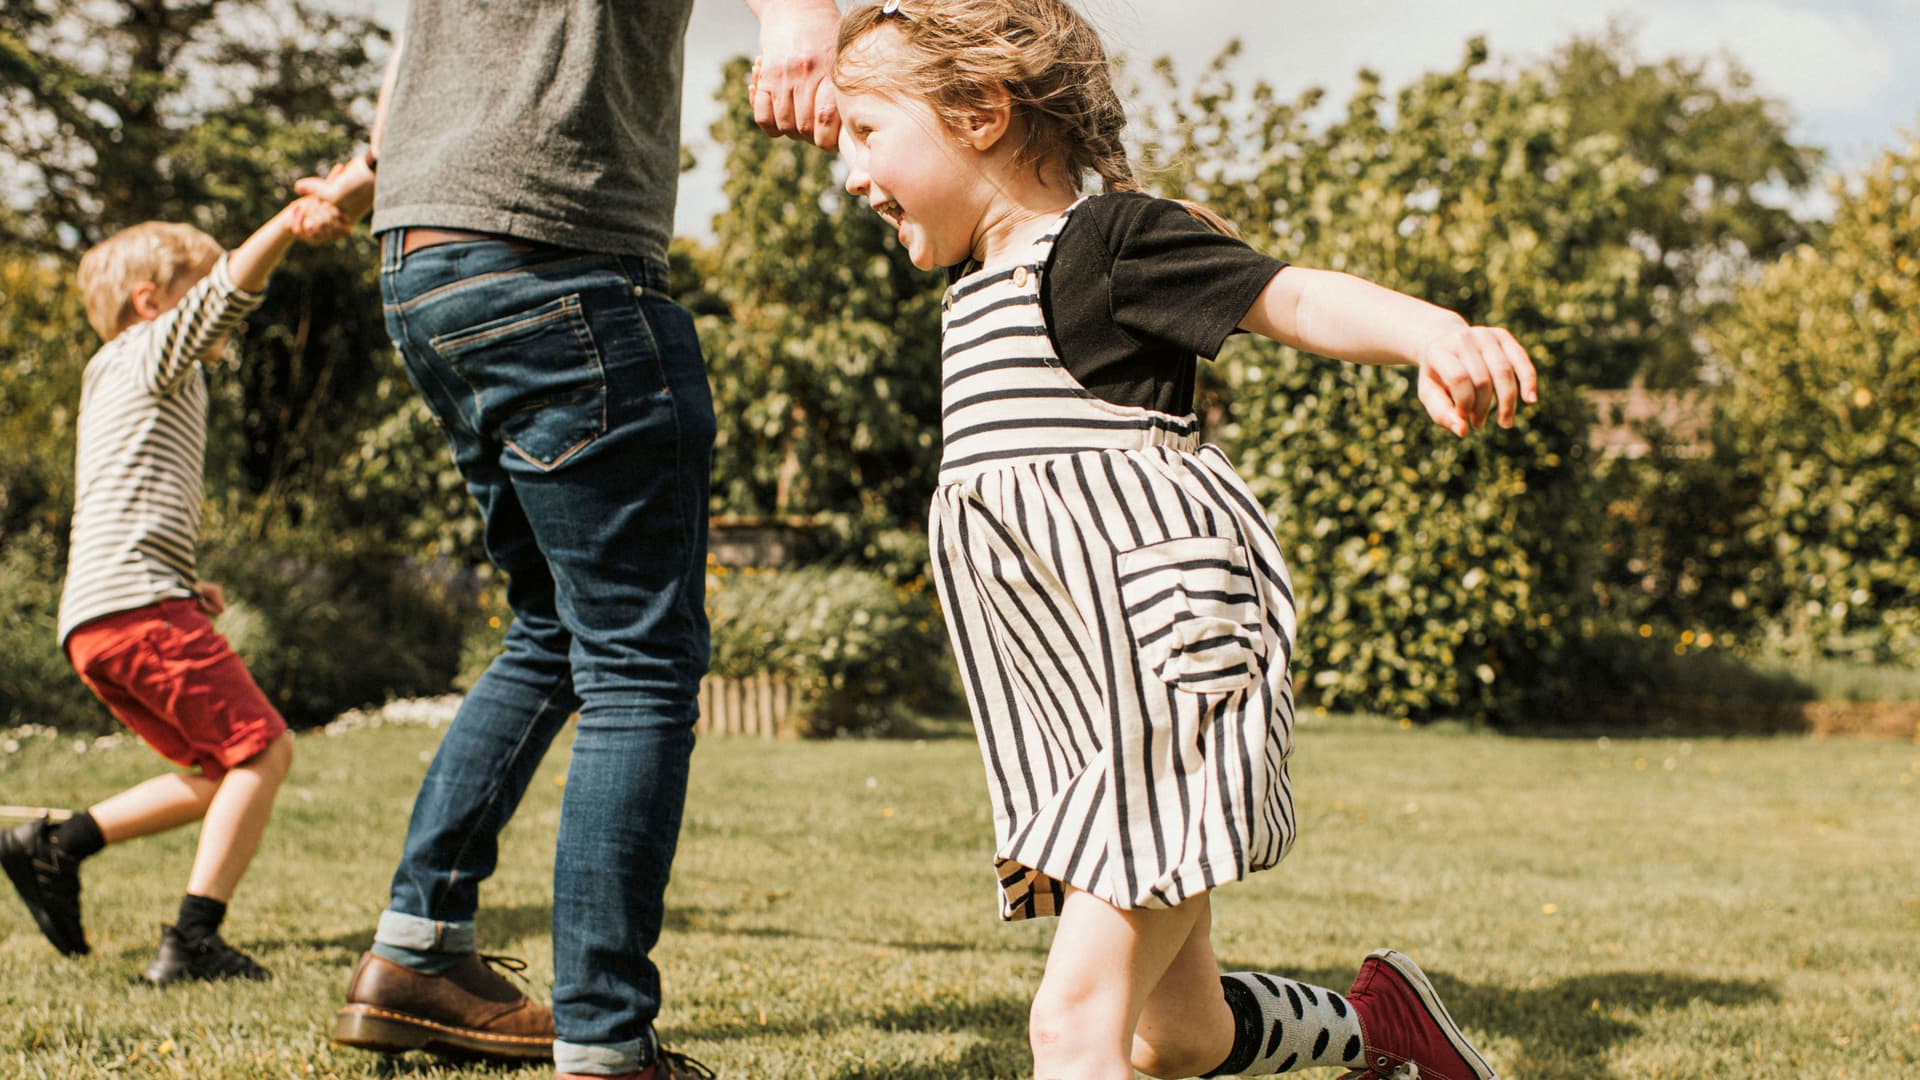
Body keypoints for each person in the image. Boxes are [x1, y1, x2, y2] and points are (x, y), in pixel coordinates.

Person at [829, 2, 1536, 1077]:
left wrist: (1433, 334)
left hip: (1166, 695)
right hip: (1089, 723)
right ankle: (1385, 1033)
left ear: (979, 112)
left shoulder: (1109, 243)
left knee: (1073, 1030)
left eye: (867, 133)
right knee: (1181, 1036)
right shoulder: (977, 293)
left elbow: (1286, 294)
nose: (847, 174)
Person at [288, 2, 840, 1077]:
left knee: (552, 628)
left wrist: (374, 166)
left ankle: (419, 953)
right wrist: (803, 19)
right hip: (558, 251)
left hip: (425, 254)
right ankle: (604, 1039)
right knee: (640, 659)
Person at [1, 198, 351, 985]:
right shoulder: (156, 349)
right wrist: (292, 222)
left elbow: (117, 493)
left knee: (218, 772)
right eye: (192, 287)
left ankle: (59, 844)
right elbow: (229, 291)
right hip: (136, 608)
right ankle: (193, 941)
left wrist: (179, 578)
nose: (210, 306)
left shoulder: (114, 376)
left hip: (99, 615)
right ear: (152, 302)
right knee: (264, 750)